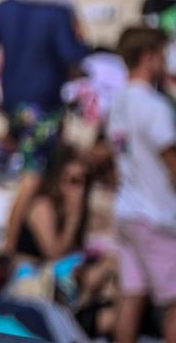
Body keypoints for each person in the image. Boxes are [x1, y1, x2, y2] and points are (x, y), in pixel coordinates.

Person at [0, 0, 88, 257]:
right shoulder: (56, 14)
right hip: (41, 106)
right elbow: (74, 55)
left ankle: (10, 244)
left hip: (16, 104)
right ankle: (9, 245)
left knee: (34, 169)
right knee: (34, 174)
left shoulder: (8, 6)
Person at [108, 26, 176, 343]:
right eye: (162, 56)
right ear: (149, 58)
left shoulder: (119, 102)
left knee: (131, 297)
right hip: (156, 215)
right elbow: (171, 161)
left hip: (127, 210)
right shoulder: (154, 105)